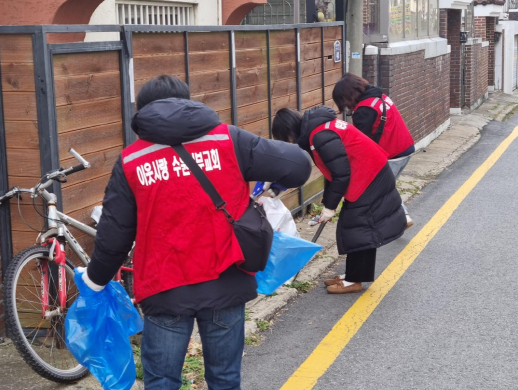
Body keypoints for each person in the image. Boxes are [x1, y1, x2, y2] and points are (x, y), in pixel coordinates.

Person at [79, 75, 312, 390]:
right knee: (225, 379)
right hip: (226, 281)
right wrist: (269, 187)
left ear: (143, 110)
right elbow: (298, 166)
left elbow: (114, 235)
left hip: (165, 289)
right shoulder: (229, 140)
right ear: (187, 101)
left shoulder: (131, 161)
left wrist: (95, 281)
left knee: (162, 381)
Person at [272, 106, 406, 294]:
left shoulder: (319, 136)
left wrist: (330, 207)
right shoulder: (317, 131)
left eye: (285, 139)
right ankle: (352, 275)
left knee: (358, 228)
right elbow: (333, 172)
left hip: (370, 176)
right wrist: (328, 204)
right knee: (354, 227)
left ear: (289, 132)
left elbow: (341, 173)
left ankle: (354, 281)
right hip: (367, 174)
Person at [332, 73, 415, 228]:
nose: (346, 106)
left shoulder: (364, 109)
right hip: (405, 147)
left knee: (380, 188)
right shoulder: (379, 97)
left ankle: (400, 217)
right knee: (385, 186)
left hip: (393, 154)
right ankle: (399, 217)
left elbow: (361, 142)